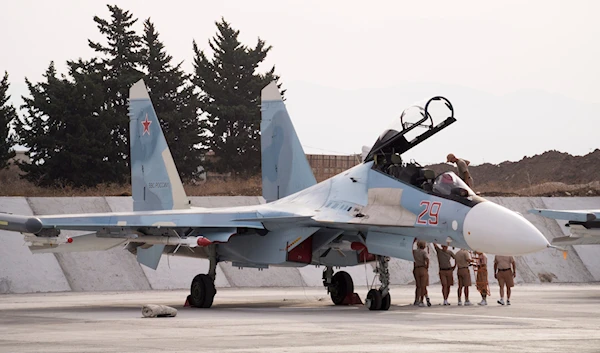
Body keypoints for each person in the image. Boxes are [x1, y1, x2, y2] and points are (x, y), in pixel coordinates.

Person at [413, 240, 430, 307]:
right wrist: (427, 266)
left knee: (418, 286)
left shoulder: (414, 252)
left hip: (416, 268)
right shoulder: (424, 252)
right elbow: (427, 259)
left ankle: (416, 300)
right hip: (423, 268)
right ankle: (421, 301)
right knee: (423, 286)